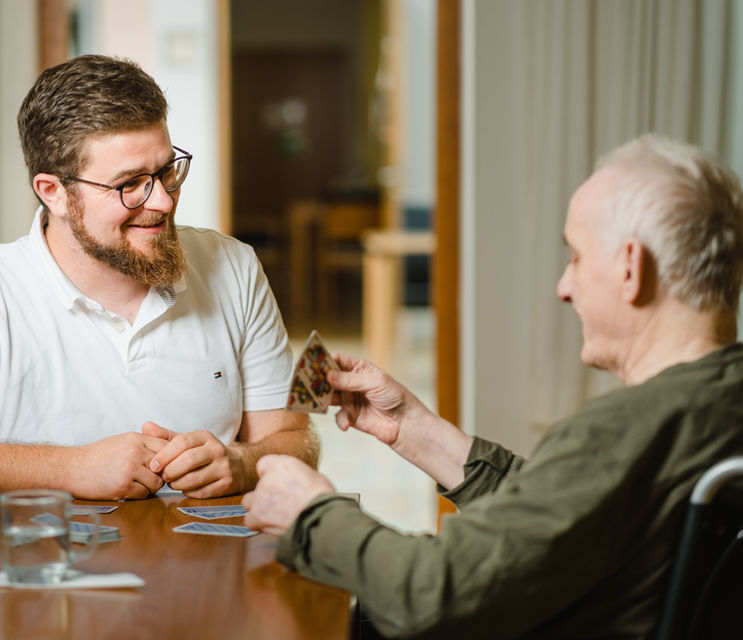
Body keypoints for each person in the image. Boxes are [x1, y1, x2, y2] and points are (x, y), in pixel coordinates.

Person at [243, 134, 743, 638]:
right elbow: (563, 515)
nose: (564, 287)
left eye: (576, 257)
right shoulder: (715, 407)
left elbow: (432, 593)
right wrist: (412, 427)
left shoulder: (622, 432)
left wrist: (311, 513)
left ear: (631, 269)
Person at [0, 55, 316, 502]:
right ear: (54, 193)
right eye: (131, 183)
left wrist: (243, 463)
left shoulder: (235, 267)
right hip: (40, 566)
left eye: (165, 171)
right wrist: (69, 469)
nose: (161, 200)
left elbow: (297, 437)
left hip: (207, 566)